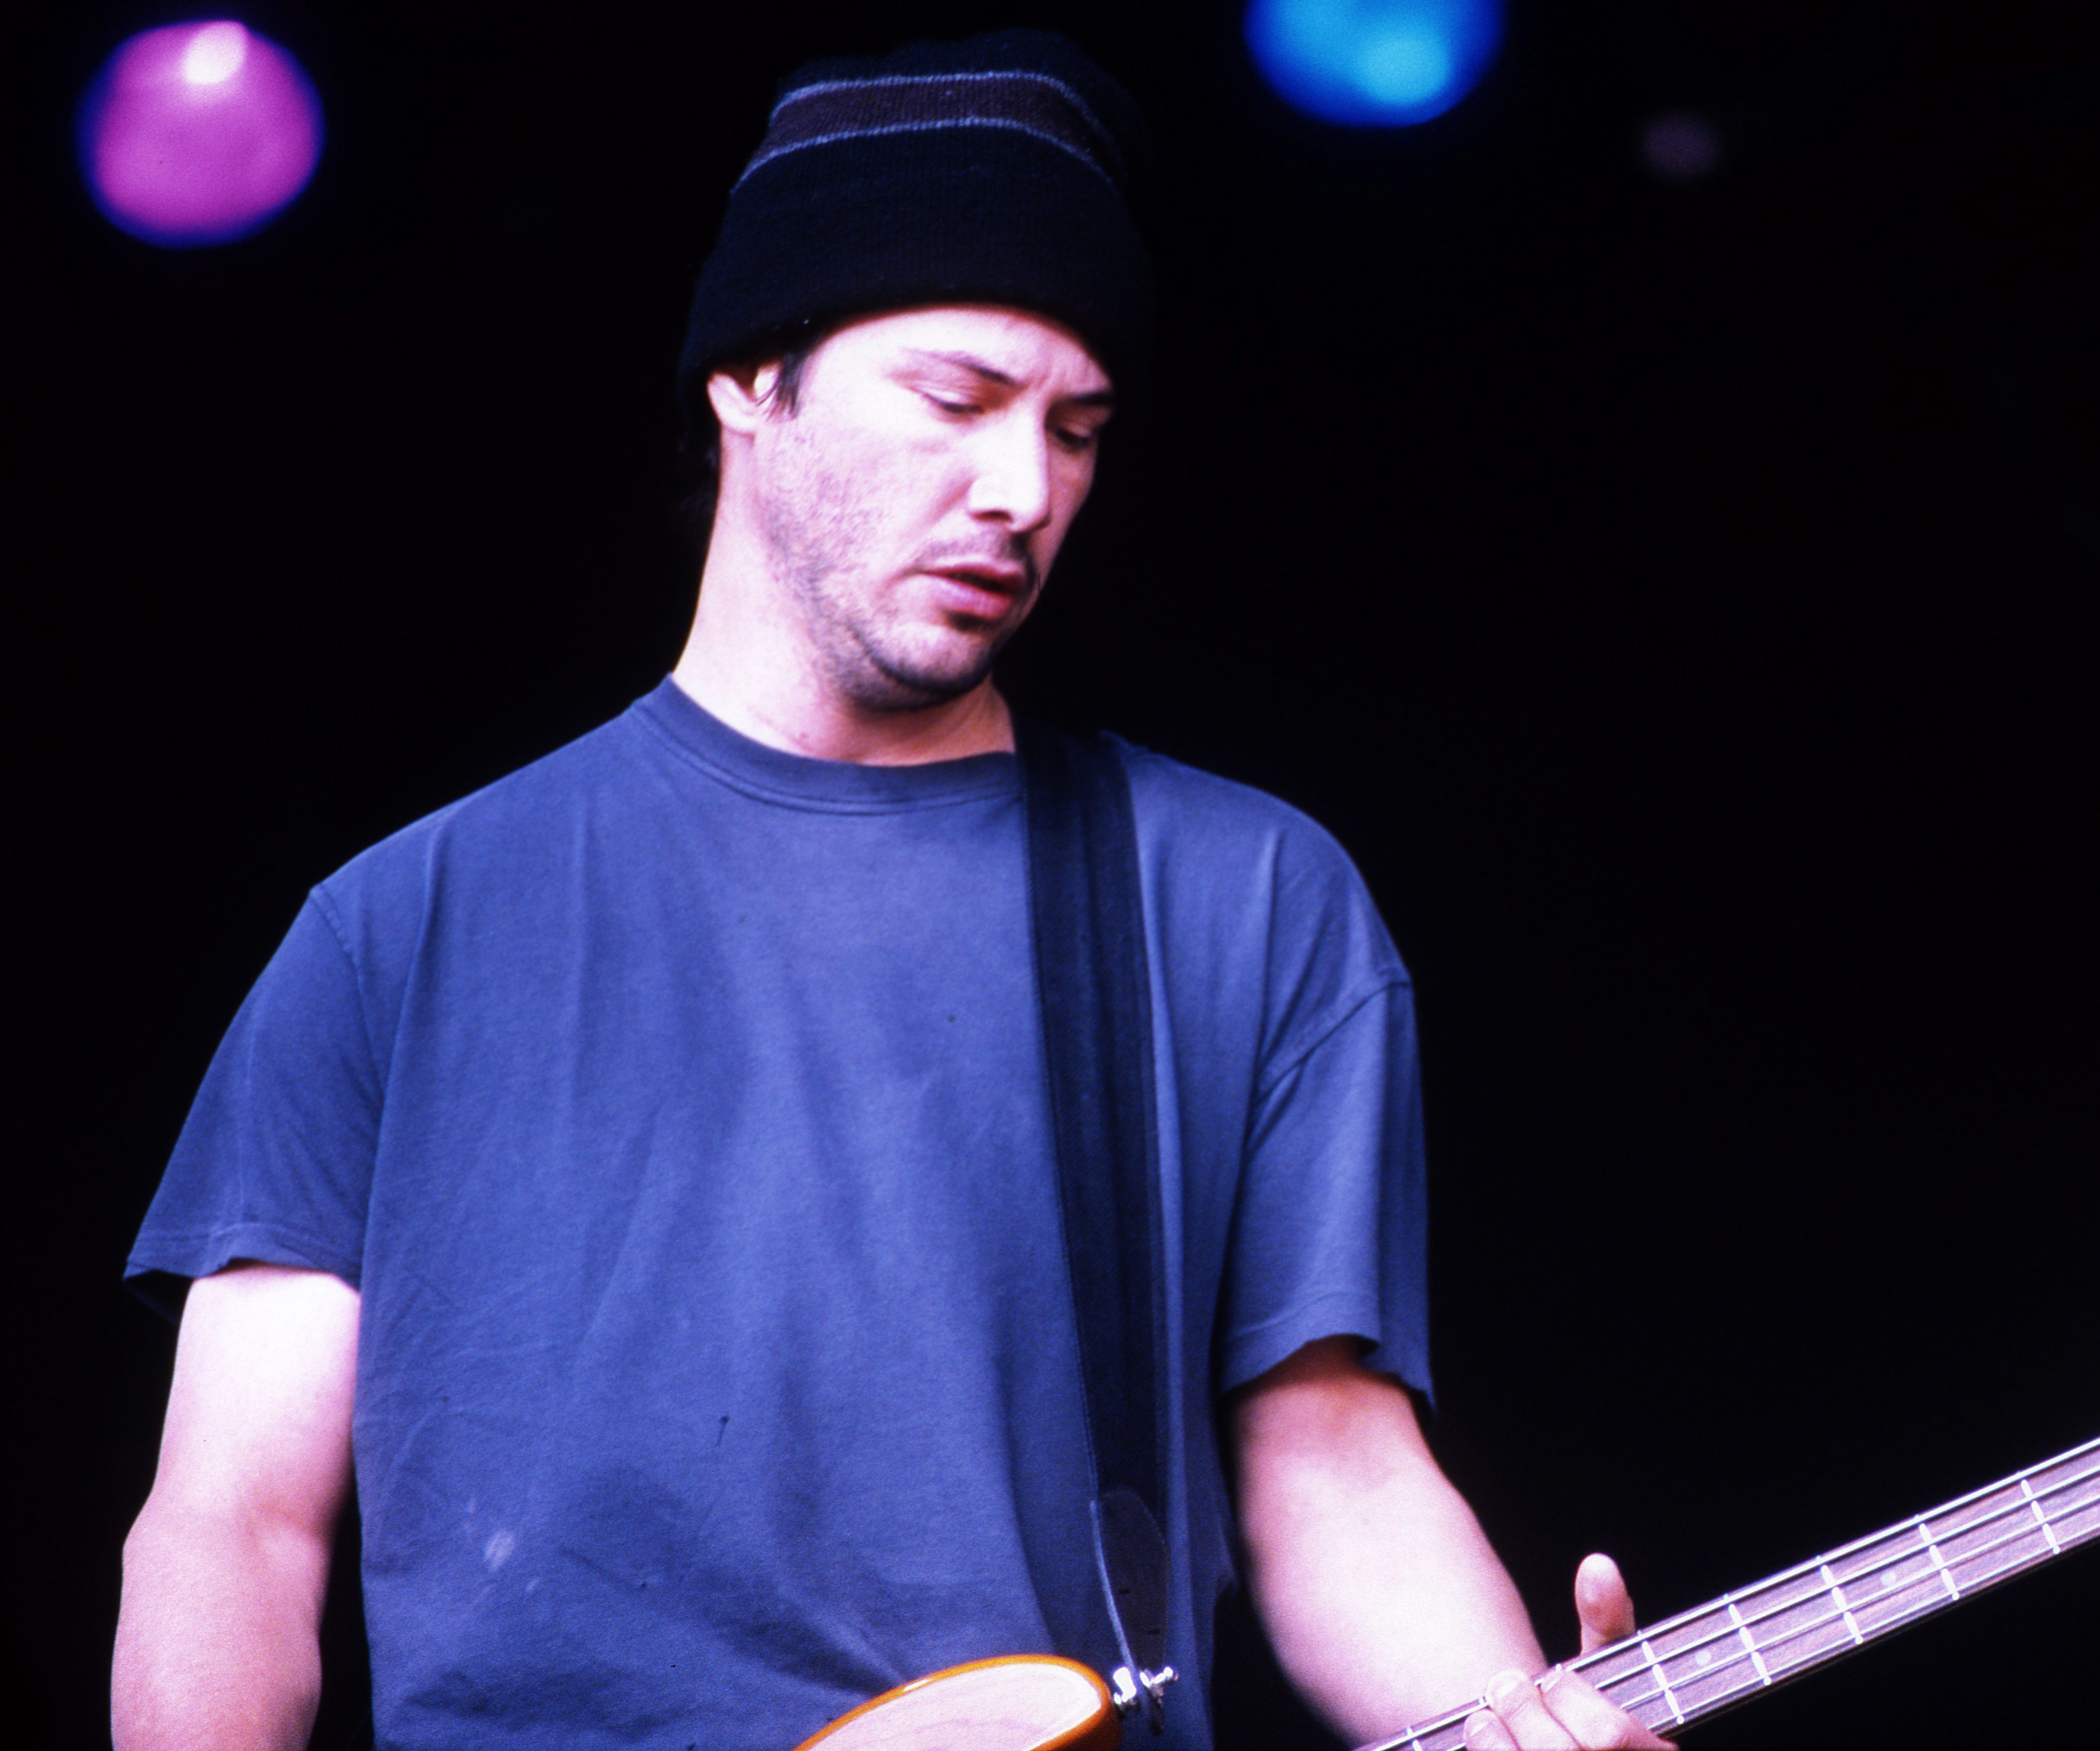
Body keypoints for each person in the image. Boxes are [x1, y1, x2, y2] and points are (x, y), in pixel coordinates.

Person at [111, 31, 1666, 1751]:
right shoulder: (400, 932)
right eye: (955, 399)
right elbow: (230, 1534)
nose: (1023, 492)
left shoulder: (1245, 900)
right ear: (747, 382)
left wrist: (1516, 1720)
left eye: (1078, 429)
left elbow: (1334, 1470)